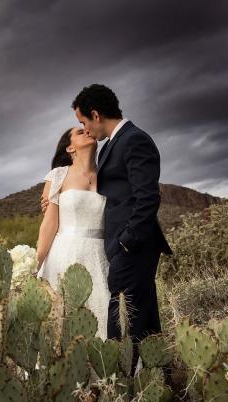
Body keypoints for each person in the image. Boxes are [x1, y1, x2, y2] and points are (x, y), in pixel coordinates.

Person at [42, 84, 172, 373]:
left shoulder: (133, 139)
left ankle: (119, 387)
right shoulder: (115, 144)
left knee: (123, 320)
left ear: (96, 114)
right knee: (143, 314)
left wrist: (127, 241)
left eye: (83, 121)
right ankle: (157, 374)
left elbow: (148, 197)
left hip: (132, 244)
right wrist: (57, 200)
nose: (85, 129)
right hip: (117, 245)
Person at [36, 126, 110, 341]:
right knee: (61, 321)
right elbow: (49, 224)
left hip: (100, 255)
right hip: (63, 253)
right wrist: (36, 264)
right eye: (80, 132)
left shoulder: (108, 174)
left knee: (102, 315)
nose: (87, 132)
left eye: (87, 130)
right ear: (69, 148)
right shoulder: (58, 175)